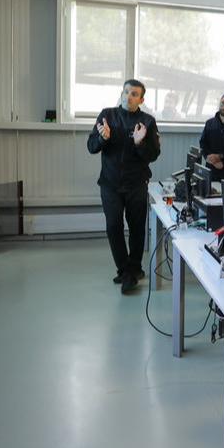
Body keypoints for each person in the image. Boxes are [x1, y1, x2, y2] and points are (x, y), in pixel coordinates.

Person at [86, 79, 161, 294]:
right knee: (113, 227)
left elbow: (153, 155)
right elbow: (91, 147)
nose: (129, 96)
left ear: (141, 99)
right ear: (122, 93)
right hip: (110, 184)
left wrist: (140, 143)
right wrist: (103, 138)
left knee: (137, 227)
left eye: (134, 94)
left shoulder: (147, 121)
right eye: (126, 92)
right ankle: (124, 270)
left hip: (136, 184)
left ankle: (134, 269)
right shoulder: (106, 115)